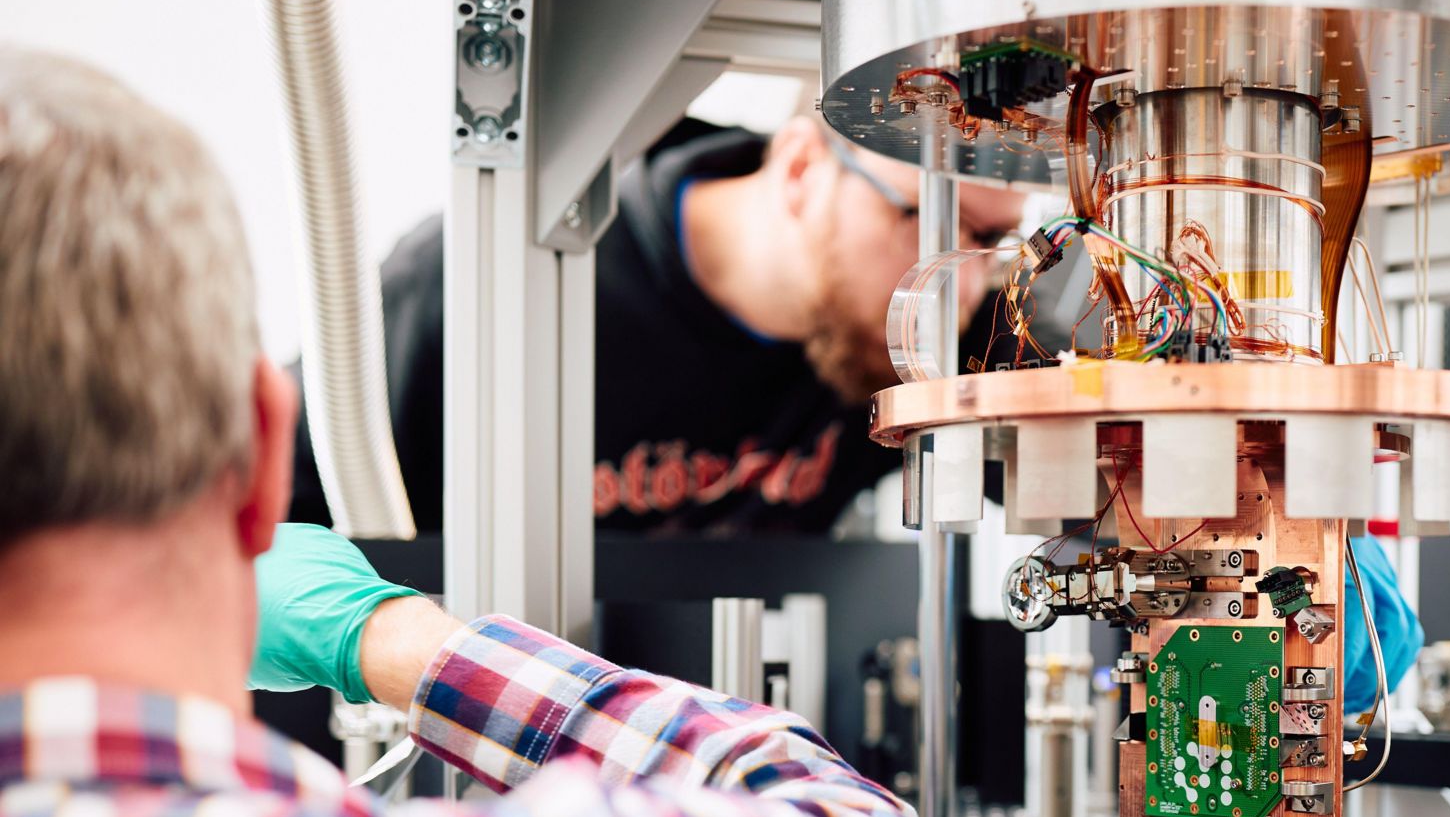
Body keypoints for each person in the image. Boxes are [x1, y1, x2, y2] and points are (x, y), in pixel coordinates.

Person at [0, 48, 929, 817]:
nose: (971, 279)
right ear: (266, 454)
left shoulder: (876, 356)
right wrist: (402, 642)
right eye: (941, 226)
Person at [288, 116, 1028, 535]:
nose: (957, 286)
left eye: (987, 245)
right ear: (803, 168)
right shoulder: (473, 287)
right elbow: (256, 526)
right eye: (928, 221)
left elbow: (1096, 499)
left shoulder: (916, 337)